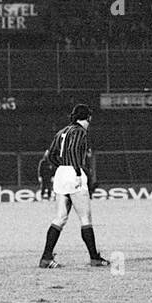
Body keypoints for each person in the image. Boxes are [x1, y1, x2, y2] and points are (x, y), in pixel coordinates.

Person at [38, 104, 109, 268]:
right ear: (88, 117)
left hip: (61, 174)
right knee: (85, 218)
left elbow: (52, 154)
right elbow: (74, 150)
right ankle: (94, 258)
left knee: (60, 217)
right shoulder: (80, 132)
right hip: (73, 174)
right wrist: (76, 171)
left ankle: (46, 257)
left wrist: (62, 167)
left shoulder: (62, 131)